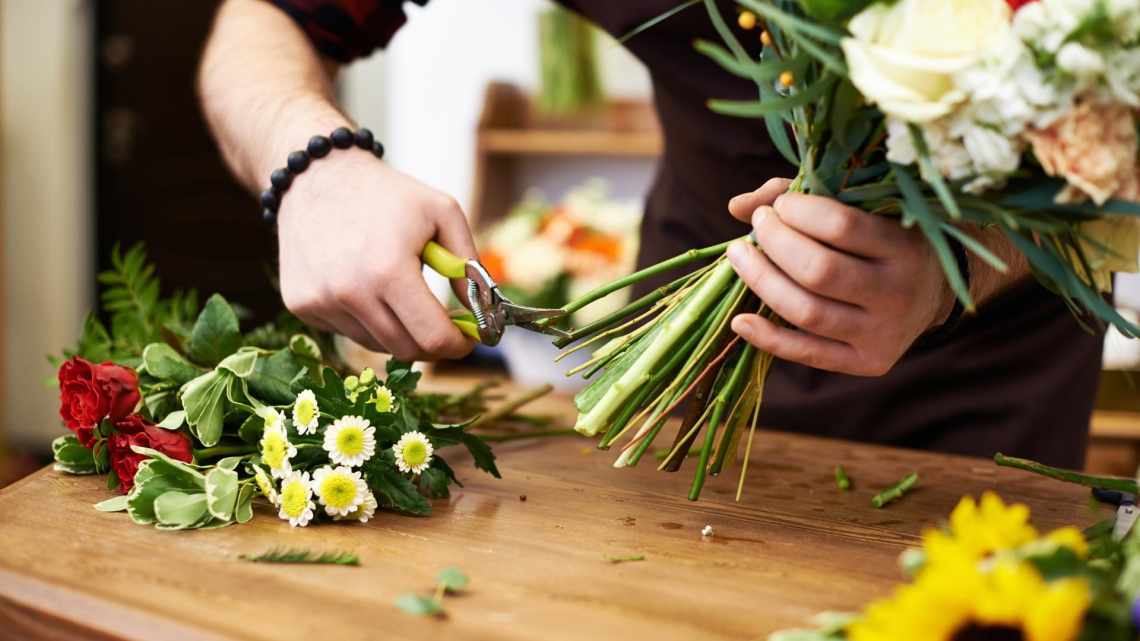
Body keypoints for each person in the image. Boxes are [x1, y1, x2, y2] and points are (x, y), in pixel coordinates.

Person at [199, 0, 1103, 468]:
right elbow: (263, 19)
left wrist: (956, 269)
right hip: (676, 383)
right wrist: (311, 163)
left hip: (979, 399)